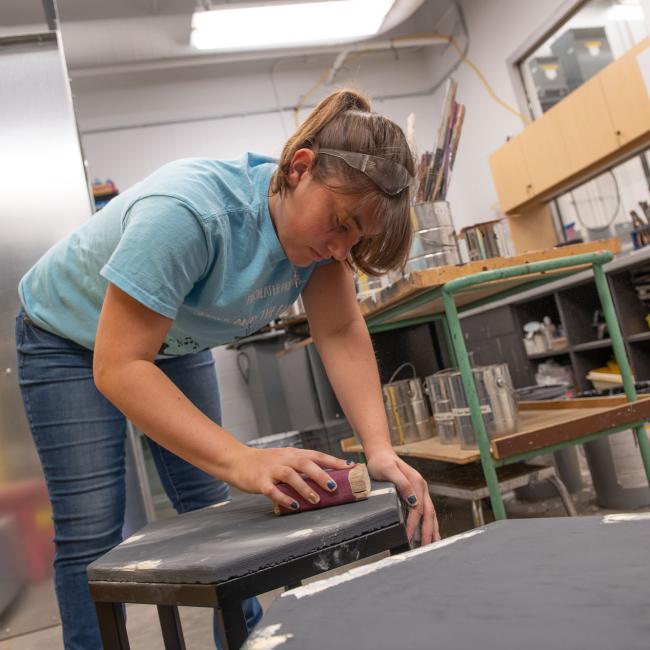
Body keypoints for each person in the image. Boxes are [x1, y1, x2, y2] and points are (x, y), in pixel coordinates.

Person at [16, 88, 440, 650]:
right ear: (300, 168)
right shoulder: (190, 214)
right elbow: (119, 366)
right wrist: (243, 459)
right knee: (92, 531)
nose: (341, 250)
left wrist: (380, 448)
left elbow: (338, 331)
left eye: (356, 240)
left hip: (168, 337)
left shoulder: (322, 245)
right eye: (339, 224)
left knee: (215, 510)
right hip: (66, 337)